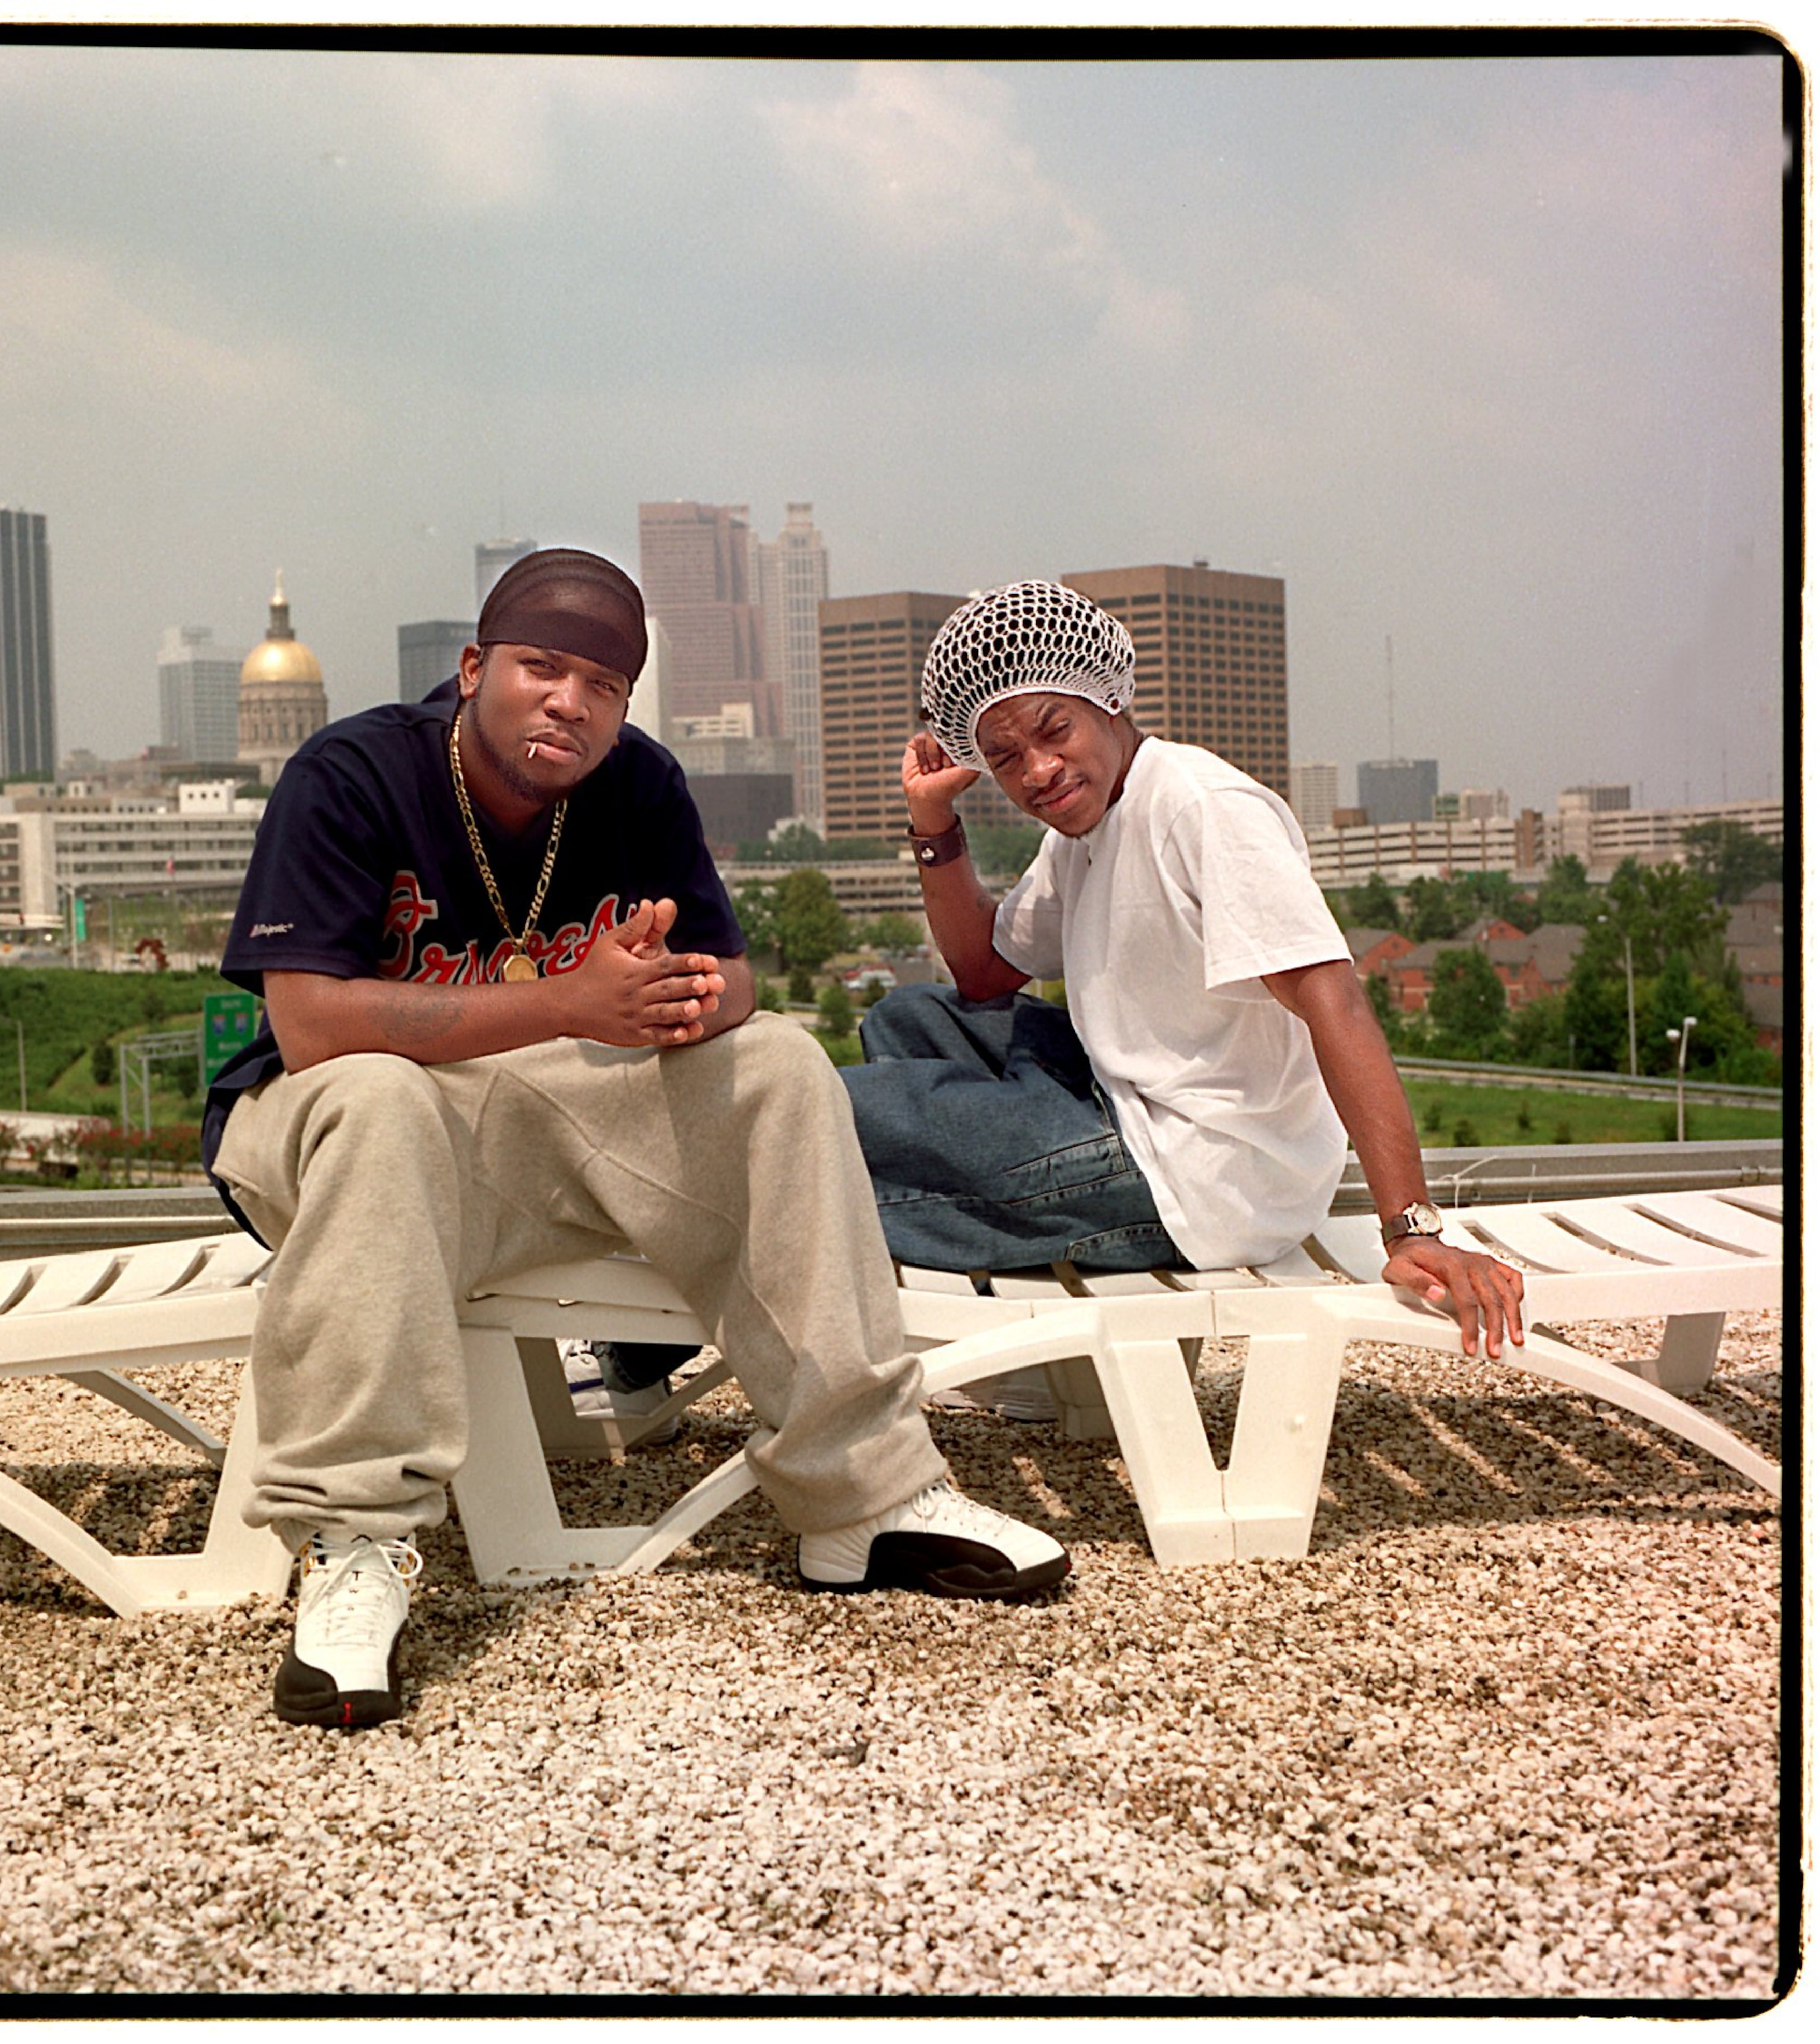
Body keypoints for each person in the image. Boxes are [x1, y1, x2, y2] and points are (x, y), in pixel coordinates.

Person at [201, 550, 1068, 1731]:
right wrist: (566, 1002)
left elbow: (744, 981)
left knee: (777, 1065)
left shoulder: (639, 784)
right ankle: (354, 1543)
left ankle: (865, 1493)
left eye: (603, 684)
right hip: (335, 1138)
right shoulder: (354, 771)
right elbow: (307, 1026)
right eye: (541, 667)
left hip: (532, 1129)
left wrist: (678, 1001)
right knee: (379, 1096)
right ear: (473, 670)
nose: (569, 700)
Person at [835, 579, 1525, 1391]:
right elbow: (982, 973)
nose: (1040, 771)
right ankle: (979, 1216)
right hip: (1126, 1103)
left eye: (1055, 730)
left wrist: (1411, 1228)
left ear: (1109, 697)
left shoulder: (1201, 805)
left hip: (1208, 1170)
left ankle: (922, 1247)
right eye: (1007, 758)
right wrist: (933, 825)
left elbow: (1333, 998)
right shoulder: (1086, 826)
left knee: (825, 1118)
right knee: (910, 1019)